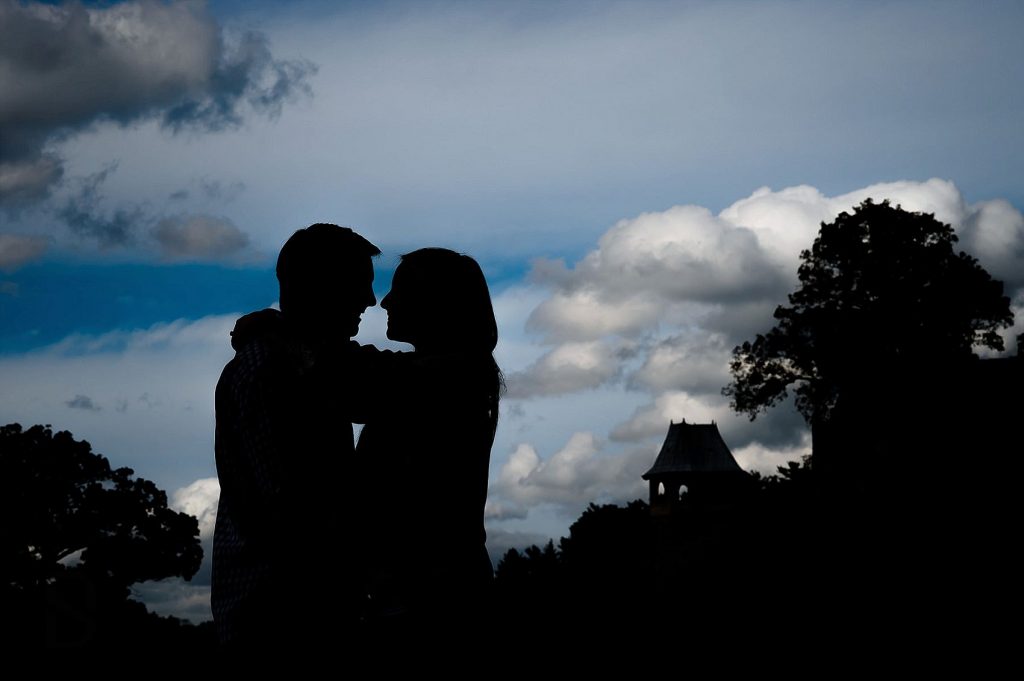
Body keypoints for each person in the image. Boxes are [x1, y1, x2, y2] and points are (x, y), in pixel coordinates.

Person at [211, 223, 380, 648]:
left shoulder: (301, 360)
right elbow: (290, 506)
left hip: (286, 608)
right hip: (284, 614)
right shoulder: (274, 368)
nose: (370, 300)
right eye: (360, 284)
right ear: (322, 286)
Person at [353, 247, 502, 637]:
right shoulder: (458, 373)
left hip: (429, 603)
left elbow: (352, 375)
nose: (385, 301)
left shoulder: (448, 377)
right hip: (434, 597)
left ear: (436, 303)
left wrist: (283, 334)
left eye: (400, 290)